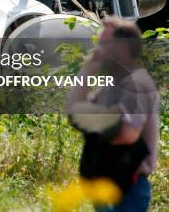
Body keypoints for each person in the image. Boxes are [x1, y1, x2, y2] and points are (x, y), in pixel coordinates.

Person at [67, 16, 160, 212]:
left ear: (122, 47)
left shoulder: (137, 84)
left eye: (103, 44)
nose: (97, 51)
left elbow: (127, 134)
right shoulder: (109, 87)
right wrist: (86, 71)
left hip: (129, 188)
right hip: (107, 185)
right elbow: (74, 112)